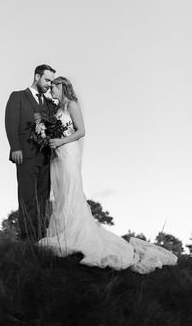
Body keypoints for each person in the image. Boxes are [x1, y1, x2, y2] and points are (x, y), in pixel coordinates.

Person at [37, 76, 178, 274]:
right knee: (60, 192)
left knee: (71, 190)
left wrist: (61, 142)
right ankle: (61, 231)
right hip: (58, 155)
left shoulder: (72, 106)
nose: (51, 90)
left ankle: (73, 232)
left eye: (53, 87)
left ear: (62, 87)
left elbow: (81, 131)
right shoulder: (56, 109)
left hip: (68, 152)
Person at [5, 64, 57, 241]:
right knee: (27, 196)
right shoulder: (18, 96)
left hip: (45, 158)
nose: (49, 84)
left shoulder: (50, 104)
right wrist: (15, 147)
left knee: (43, 197)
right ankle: (27, 238)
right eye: (47, 80)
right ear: (36, 77)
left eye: (51, 81)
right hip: (25, 155)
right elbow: (11, 123)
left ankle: (41, 236)